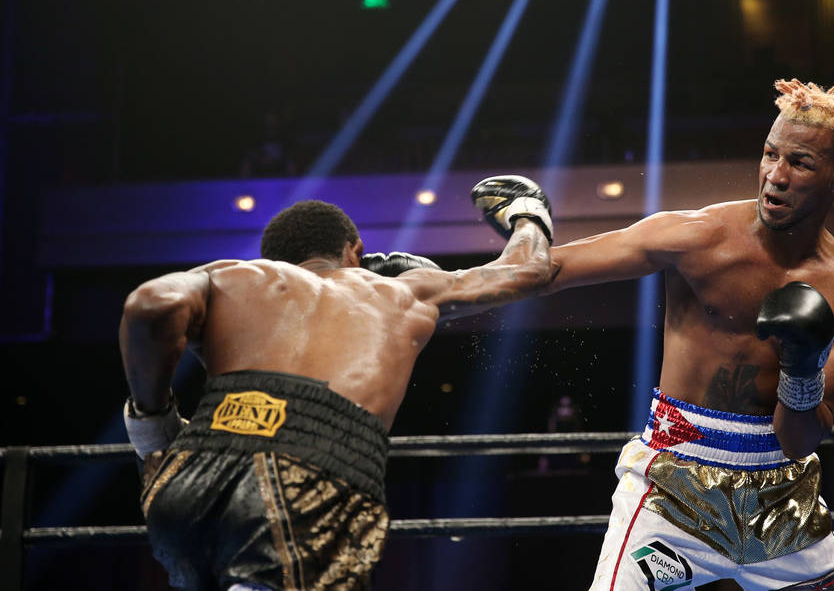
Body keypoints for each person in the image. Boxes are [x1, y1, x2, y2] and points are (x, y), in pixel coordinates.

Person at [119, 175, 554, 591]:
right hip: (307, 477)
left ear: (273, 258)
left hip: (188, 475)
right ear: (355, 250)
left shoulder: (232, 276)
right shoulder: (397, 290)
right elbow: (527, 270)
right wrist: (527, 212)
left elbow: (149, 305)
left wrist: (152, 425)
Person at [542, 79, 834, 590]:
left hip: (783, 506)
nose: (776, 175)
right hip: (671, 492)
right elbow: (553, 268)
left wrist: (801, 363)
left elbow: (800, 440)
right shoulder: (698, 236)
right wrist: (428, 286)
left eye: (800, 163)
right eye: (770, 154)